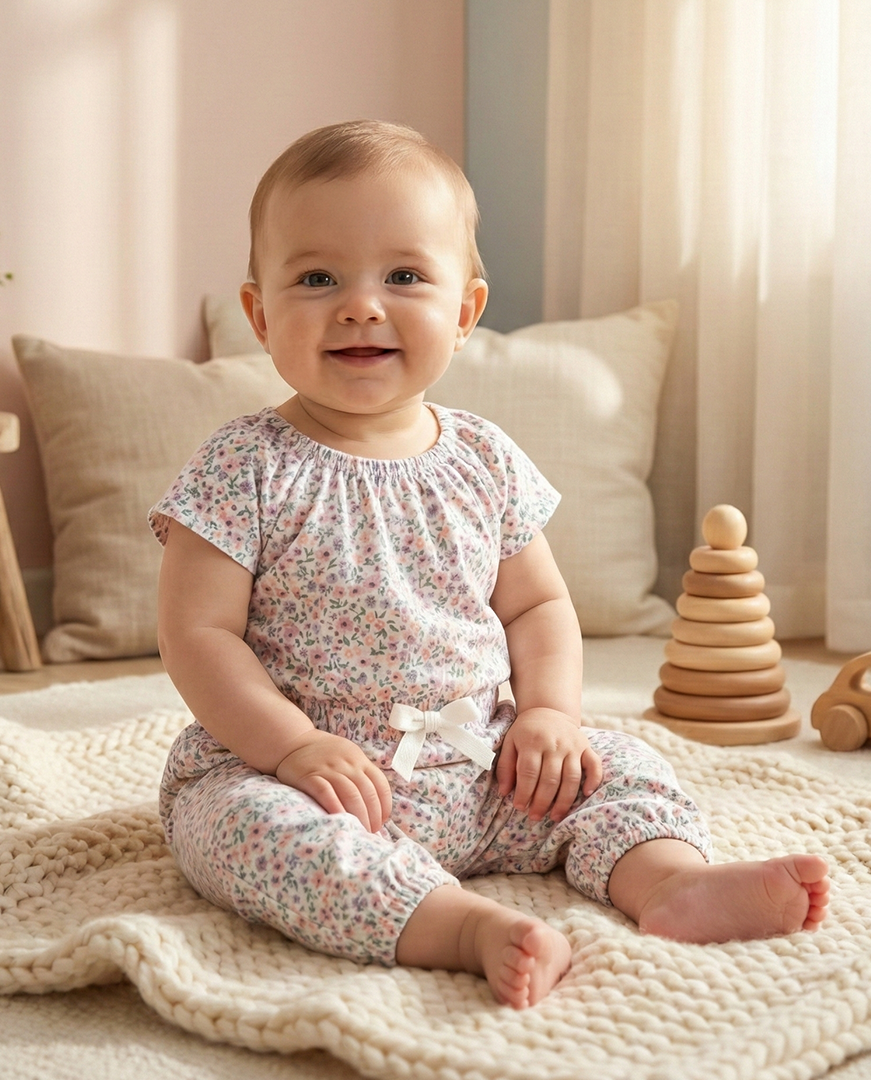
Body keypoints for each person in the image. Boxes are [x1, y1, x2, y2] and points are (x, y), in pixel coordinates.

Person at [150, 119, 830, 1010]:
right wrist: (292, 746)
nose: (361, 305)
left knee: (618, 766)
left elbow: (539, 607)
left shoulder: (484, 457)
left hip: (484, 768)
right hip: (307, 778)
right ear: (260, 315)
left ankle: (669, 882)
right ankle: (457, 925)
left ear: (464, 312)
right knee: (240, 831)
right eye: (318, 278)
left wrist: (550, 715)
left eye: (403, 276)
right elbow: (198, 634)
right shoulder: (244, 465)